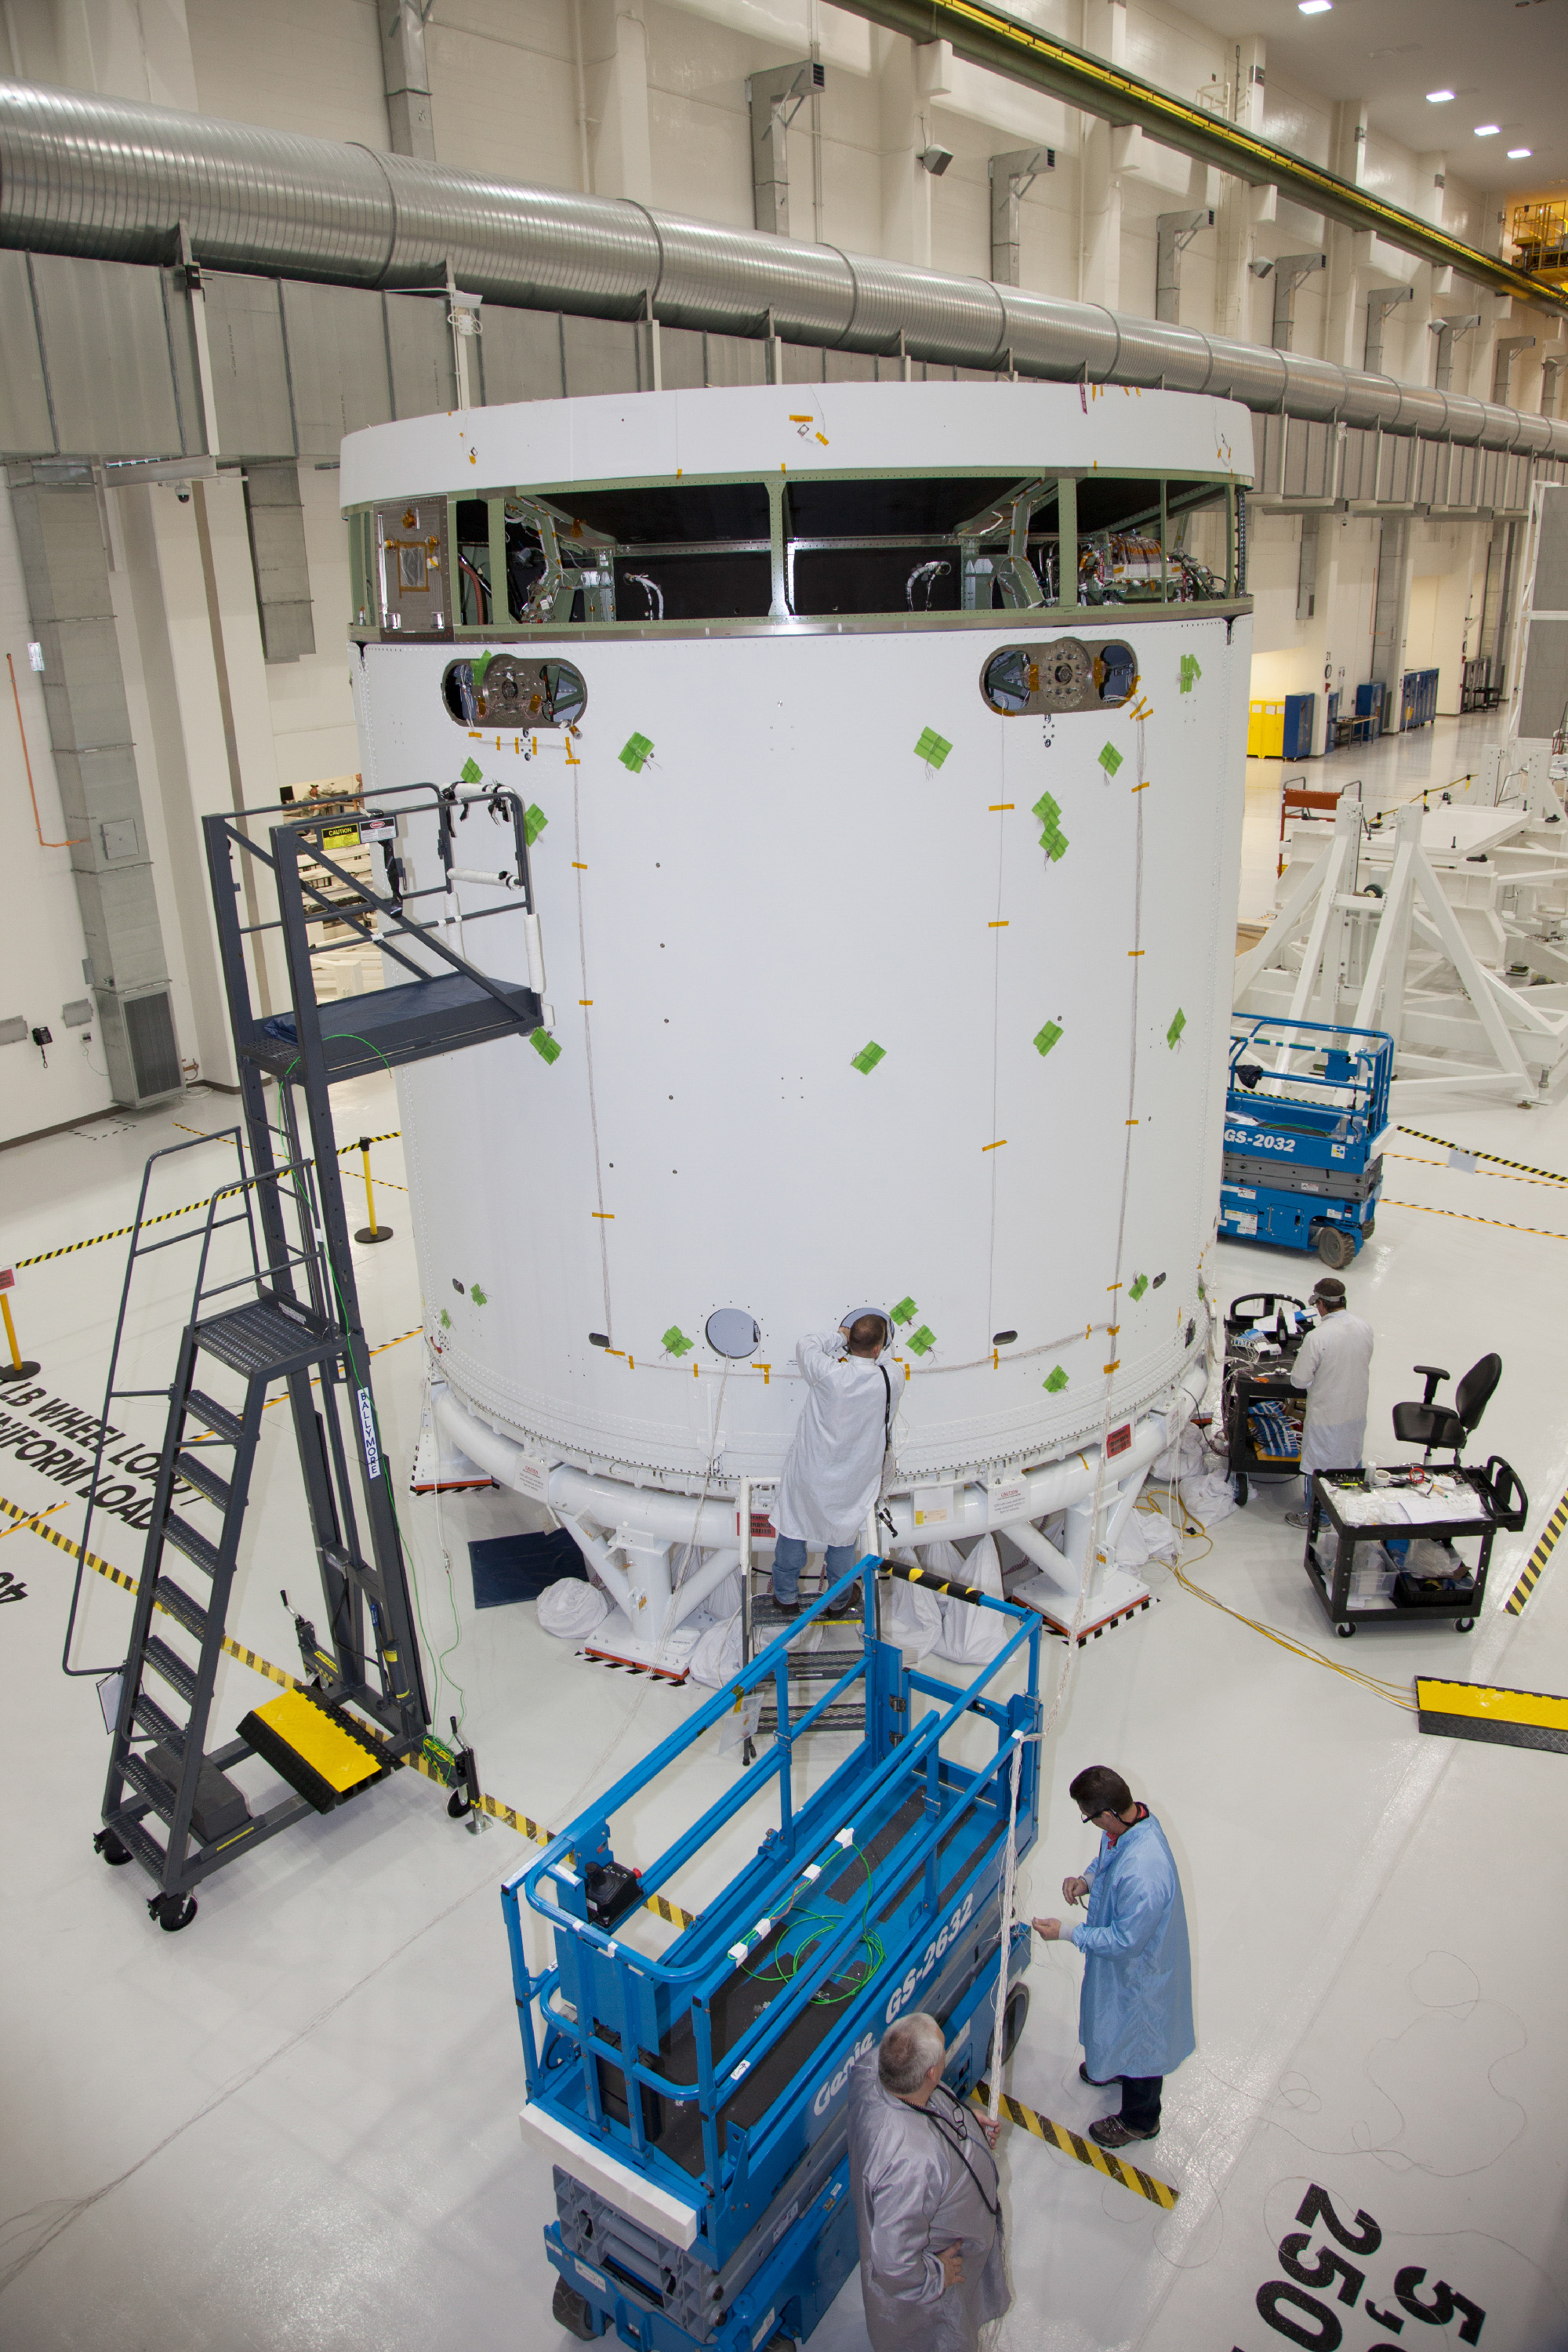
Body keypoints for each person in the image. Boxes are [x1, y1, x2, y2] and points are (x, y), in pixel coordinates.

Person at [1032, 1765, 1193, 2149]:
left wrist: (1067, 1932)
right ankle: (1118, 2063)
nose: (1092, 1826)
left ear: (1108, 1814)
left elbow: (1125, 1941)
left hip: (1142, 1972)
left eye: (1089, 1817)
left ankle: (1140, 2121)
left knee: (1142, 2039)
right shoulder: (1130, 1824)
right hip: (1124, 1968)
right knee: (1117, 2024)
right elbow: (1108, 1858)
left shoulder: (1145, 1872)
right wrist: (1086, 1881)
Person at [847, 2014, 1009, 2352]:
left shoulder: (874, 2070)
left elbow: (925, 2102)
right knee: (940, 2338)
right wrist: (937, 2275)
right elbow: (894, 2262)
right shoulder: (911, 2162)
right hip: (934, 2283)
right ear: (932, 2073)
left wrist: (963, 2122)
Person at [770, 1313, 904, 1614]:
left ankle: (785, 1597)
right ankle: (839, 1600)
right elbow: (886, 1357)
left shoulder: (828, 1373)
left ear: (851, 1342)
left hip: (811, 1471)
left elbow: (806, 1344)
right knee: (843, 1537)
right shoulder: (891, 1378)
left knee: (793, 1526)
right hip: (855, 1478)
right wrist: (877, 1344)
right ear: (878, 1347)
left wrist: (840, 1336)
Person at [1281, 1275, 1374, 1528]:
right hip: (1355, 1412)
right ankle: (1347, 1510)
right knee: (1350, 1458)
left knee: (1319, 1467)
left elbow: (1300, 1381)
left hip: (1327, 1416)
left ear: (1321, 1304)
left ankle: (1317, 1517)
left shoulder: (1318, 1337)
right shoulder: (1364, 1327)